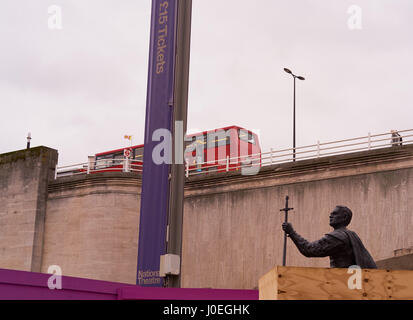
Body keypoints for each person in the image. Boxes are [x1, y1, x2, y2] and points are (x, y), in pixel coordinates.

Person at [282, 206, 377, 269]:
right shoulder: (351, 235)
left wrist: (292, 232)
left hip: (342, 283)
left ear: (344, 217)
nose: (330, 215)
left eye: (334, 214)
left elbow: (309, 249)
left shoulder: (337, 237)